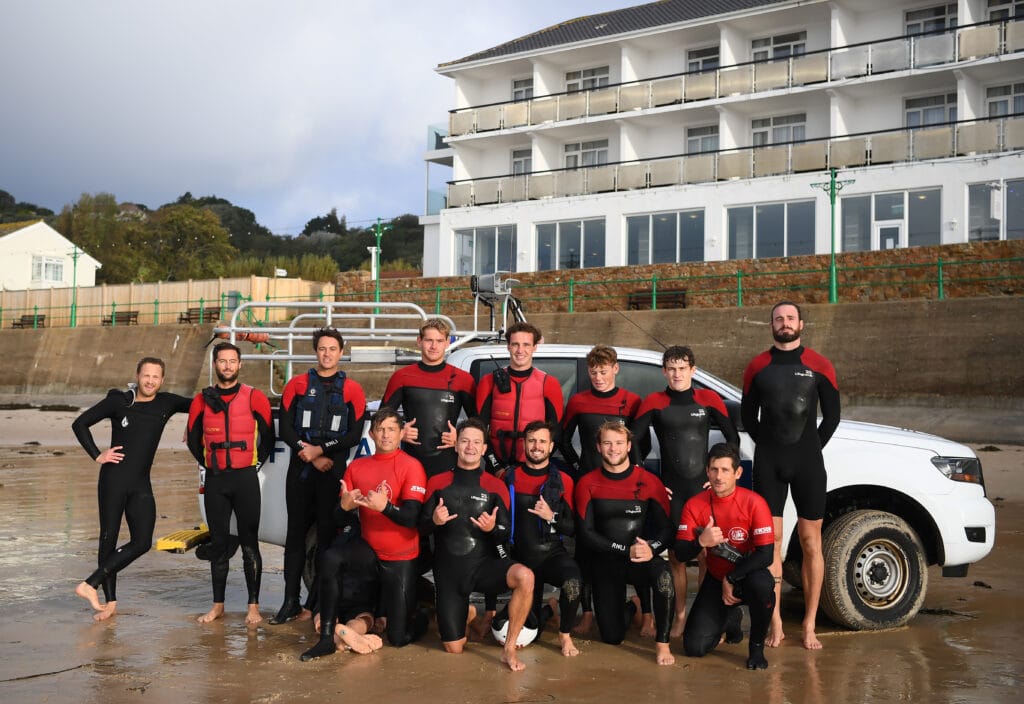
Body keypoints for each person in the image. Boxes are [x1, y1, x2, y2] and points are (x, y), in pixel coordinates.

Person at [741, 301, 840, 650]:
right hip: (770, 463)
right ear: (771, 324)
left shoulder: (819, 364)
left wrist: (812, 448)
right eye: (779, 319)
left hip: (808, 462)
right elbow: (748, 417)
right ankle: (776, 621)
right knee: (771, 545)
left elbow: (832, 417)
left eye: (790, 318)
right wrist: (768, 446)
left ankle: (810, 625)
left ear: (801, 324)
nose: (785, 323)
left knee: (812, 541)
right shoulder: (758, 366)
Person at [300, 407, 427, 660]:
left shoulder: (412, 466)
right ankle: (326, 639)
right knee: (331, 557)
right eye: (380, 429)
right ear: (371, 433)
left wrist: (386, 507)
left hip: (400, 558)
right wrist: (344, 507)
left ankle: (422, 613)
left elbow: (412, 517)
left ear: (401, 433)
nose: (385, 435)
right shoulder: (357, 467)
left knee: (398, 639)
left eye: (391, 429)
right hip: (368, 552)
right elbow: (339, 517)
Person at [71, 357, 192, 621]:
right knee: (109, 538)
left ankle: (89, 584)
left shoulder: (167, 403)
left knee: (142, 542)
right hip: (113, 478)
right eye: (146, 375)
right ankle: (109, 602)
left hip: (141, 483)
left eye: (155, 377)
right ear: (137, 375)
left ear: (162, 380)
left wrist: (192, 425)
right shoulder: (120, 401)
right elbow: (80, 424)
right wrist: (97, 455)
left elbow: (200, 405)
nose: (150, 381)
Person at [633, 345, 739, 637]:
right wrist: (650, 481)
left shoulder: (708, 398)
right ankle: (679, 615)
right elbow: (633, 442)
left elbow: (731, 438)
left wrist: (717, 475)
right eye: (671, 369)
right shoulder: (654, 401)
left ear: (693, 370)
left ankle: (703, 611)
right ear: (664, 371)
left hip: (702, 490)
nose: (677, 374)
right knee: (677, 557)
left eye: (683, 368)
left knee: (707, 554)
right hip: (673, 492)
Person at [420, 418, 535, 672]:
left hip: (483, 567)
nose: (470, 447)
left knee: (525, 576)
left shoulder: (495, 486)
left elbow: (505, 534)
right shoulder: (437, 483)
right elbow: (420, 527)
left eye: (476, 442)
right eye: (464, 441)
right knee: (454, 648)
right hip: (449, 573)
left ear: (484, 449)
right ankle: (468, 614)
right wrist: (435, 521)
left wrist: (492, 529)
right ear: (456, 445)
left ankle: (509, 648)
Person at [271, 327, 368, 625]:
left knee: (327, 536)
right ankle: (289, 601)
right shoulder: (297, 385)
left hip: (332, 471)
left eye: (332, 349)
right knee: (296, 536)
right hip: (300, 470)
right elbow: (286, 429)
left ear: (341, 352)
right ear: (316, 351)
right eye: (322, 349)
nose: (327, 354)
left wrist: (322, 450)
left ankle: (316, 602)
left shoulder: (352, 390)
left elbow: (354, 434)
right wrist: (309, 452)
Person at [187, 342, 275, 625]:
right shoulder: (202, 400)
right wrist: (209, 463)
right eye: (222, 361)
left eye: (232, 361)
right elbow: (192, 438)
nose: (227, 366)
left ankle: (253, 606)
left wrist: (253, 463)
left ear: (240, 365)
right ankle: (217, 605)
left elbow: (269, 438)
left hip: (245, 479)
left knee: (250, 544)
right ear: (215, 364)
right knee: (220, 544)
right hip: (216, 480)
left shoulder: (254, 397)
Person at [573, 422, 675, 665]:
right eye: (607, 443)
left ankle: (662, 644)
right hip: (606, 561)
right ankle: (633, 607)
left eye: (619, 443)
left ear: (629, 446)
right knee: (611, 637)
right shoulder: (588, 483)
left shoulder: (649, 481)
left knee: (664, 578)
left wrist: (652, 548)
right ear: (598, 447)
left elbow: (667, 529)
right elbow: (585, 533)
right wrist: (622, 550)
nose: (613, 448)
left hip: (639, 560)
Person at [561, 345, 642, 637]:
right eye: (593, 371)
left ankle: (641, 610)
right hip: (589, 484)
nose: (598, 376)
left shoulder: (631, 402)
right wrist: (579, 467)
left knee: (628, 542)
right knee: (586, 548)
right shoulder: (578, 402)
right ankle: (586, 613)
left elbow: (637, 449)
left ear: (615, 369)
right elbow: (563, 441)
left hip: (623, 487)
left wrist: (638, 479)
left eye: (603, 371)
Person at [677, 443, 776, 670]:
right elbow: (680, 553)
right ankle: (731, 621)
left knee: (763, 587)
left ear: (737, 473)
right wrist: (701, 542)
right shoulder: (695, 504)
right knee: (694, 648)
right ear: (707, 471)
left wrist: (730, 579)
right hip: (716, 578)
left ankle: (756, 648)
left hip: (748, 575)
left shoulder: (754, 503)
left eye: (725, 470)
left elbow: (766, 555)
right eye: (714, 470)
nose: (718, 476)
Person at [505, 420, 581, 657]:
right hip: (520, 557)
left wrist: (552, 517)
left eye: (542, 441)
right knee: (531, 636)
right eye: (531, 441)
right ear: (524, 445)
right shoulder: (509, 477)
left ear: (551, 447)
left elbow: (572, 528)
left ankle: (564, 634)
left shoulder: (564, 481)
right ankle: (550, 609)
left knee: (573, 583)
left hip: (550, 553)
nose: (536, 446)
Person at [382, 318, 476, 478]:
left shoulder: (463, 379)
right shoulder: (402, 376)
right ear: (419, 341)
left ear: (447, 342)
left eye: (439, 341)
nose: (434, 346)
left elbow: (479, 423)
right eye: (429, 340)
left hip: (448, 462)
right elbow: (382, 418)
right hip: (410, 462)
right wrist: (399, 432)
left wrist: (460, 437)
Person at [476, 322, 563, 470]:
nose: (520, 350)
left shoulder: (549, 383)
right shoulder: (489, 381)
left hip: (533, 467)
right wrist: (496, 467)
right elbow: (478, 429)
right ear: (508, 346)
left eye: (526, 345)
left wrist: (537, 463)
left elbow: (557, 432)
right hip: (497, 466)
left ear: (534, 347)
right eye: (515, 344)